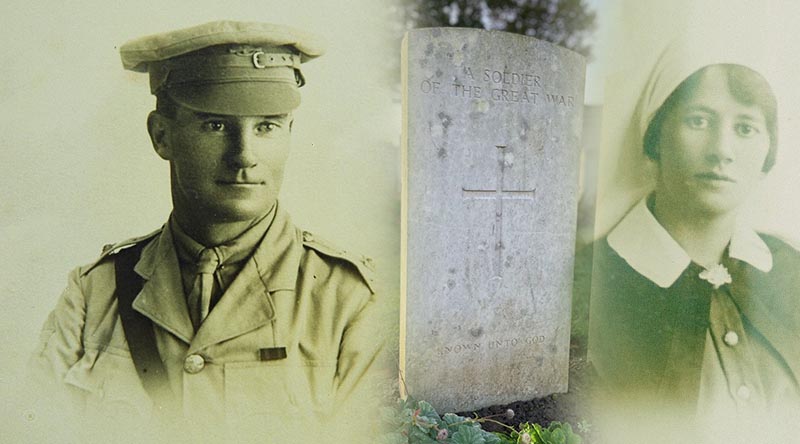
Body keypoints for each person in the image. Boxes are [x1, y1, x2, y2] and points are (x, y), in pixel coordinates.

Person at [29, 20, 391, 441]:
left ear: (290, 133)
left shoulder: (347, 300)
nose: (244, 156)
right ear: (161, 135)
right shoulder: (95, 294)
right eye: (215, 125)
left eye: (266, 126)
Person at [577, 36, 800, 437]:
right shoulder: (588, 281)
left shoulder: (791, 269)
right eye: (698, 120)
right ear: (656, 136)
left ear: (768, 152)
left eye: (746, 128)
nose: (722, 150)